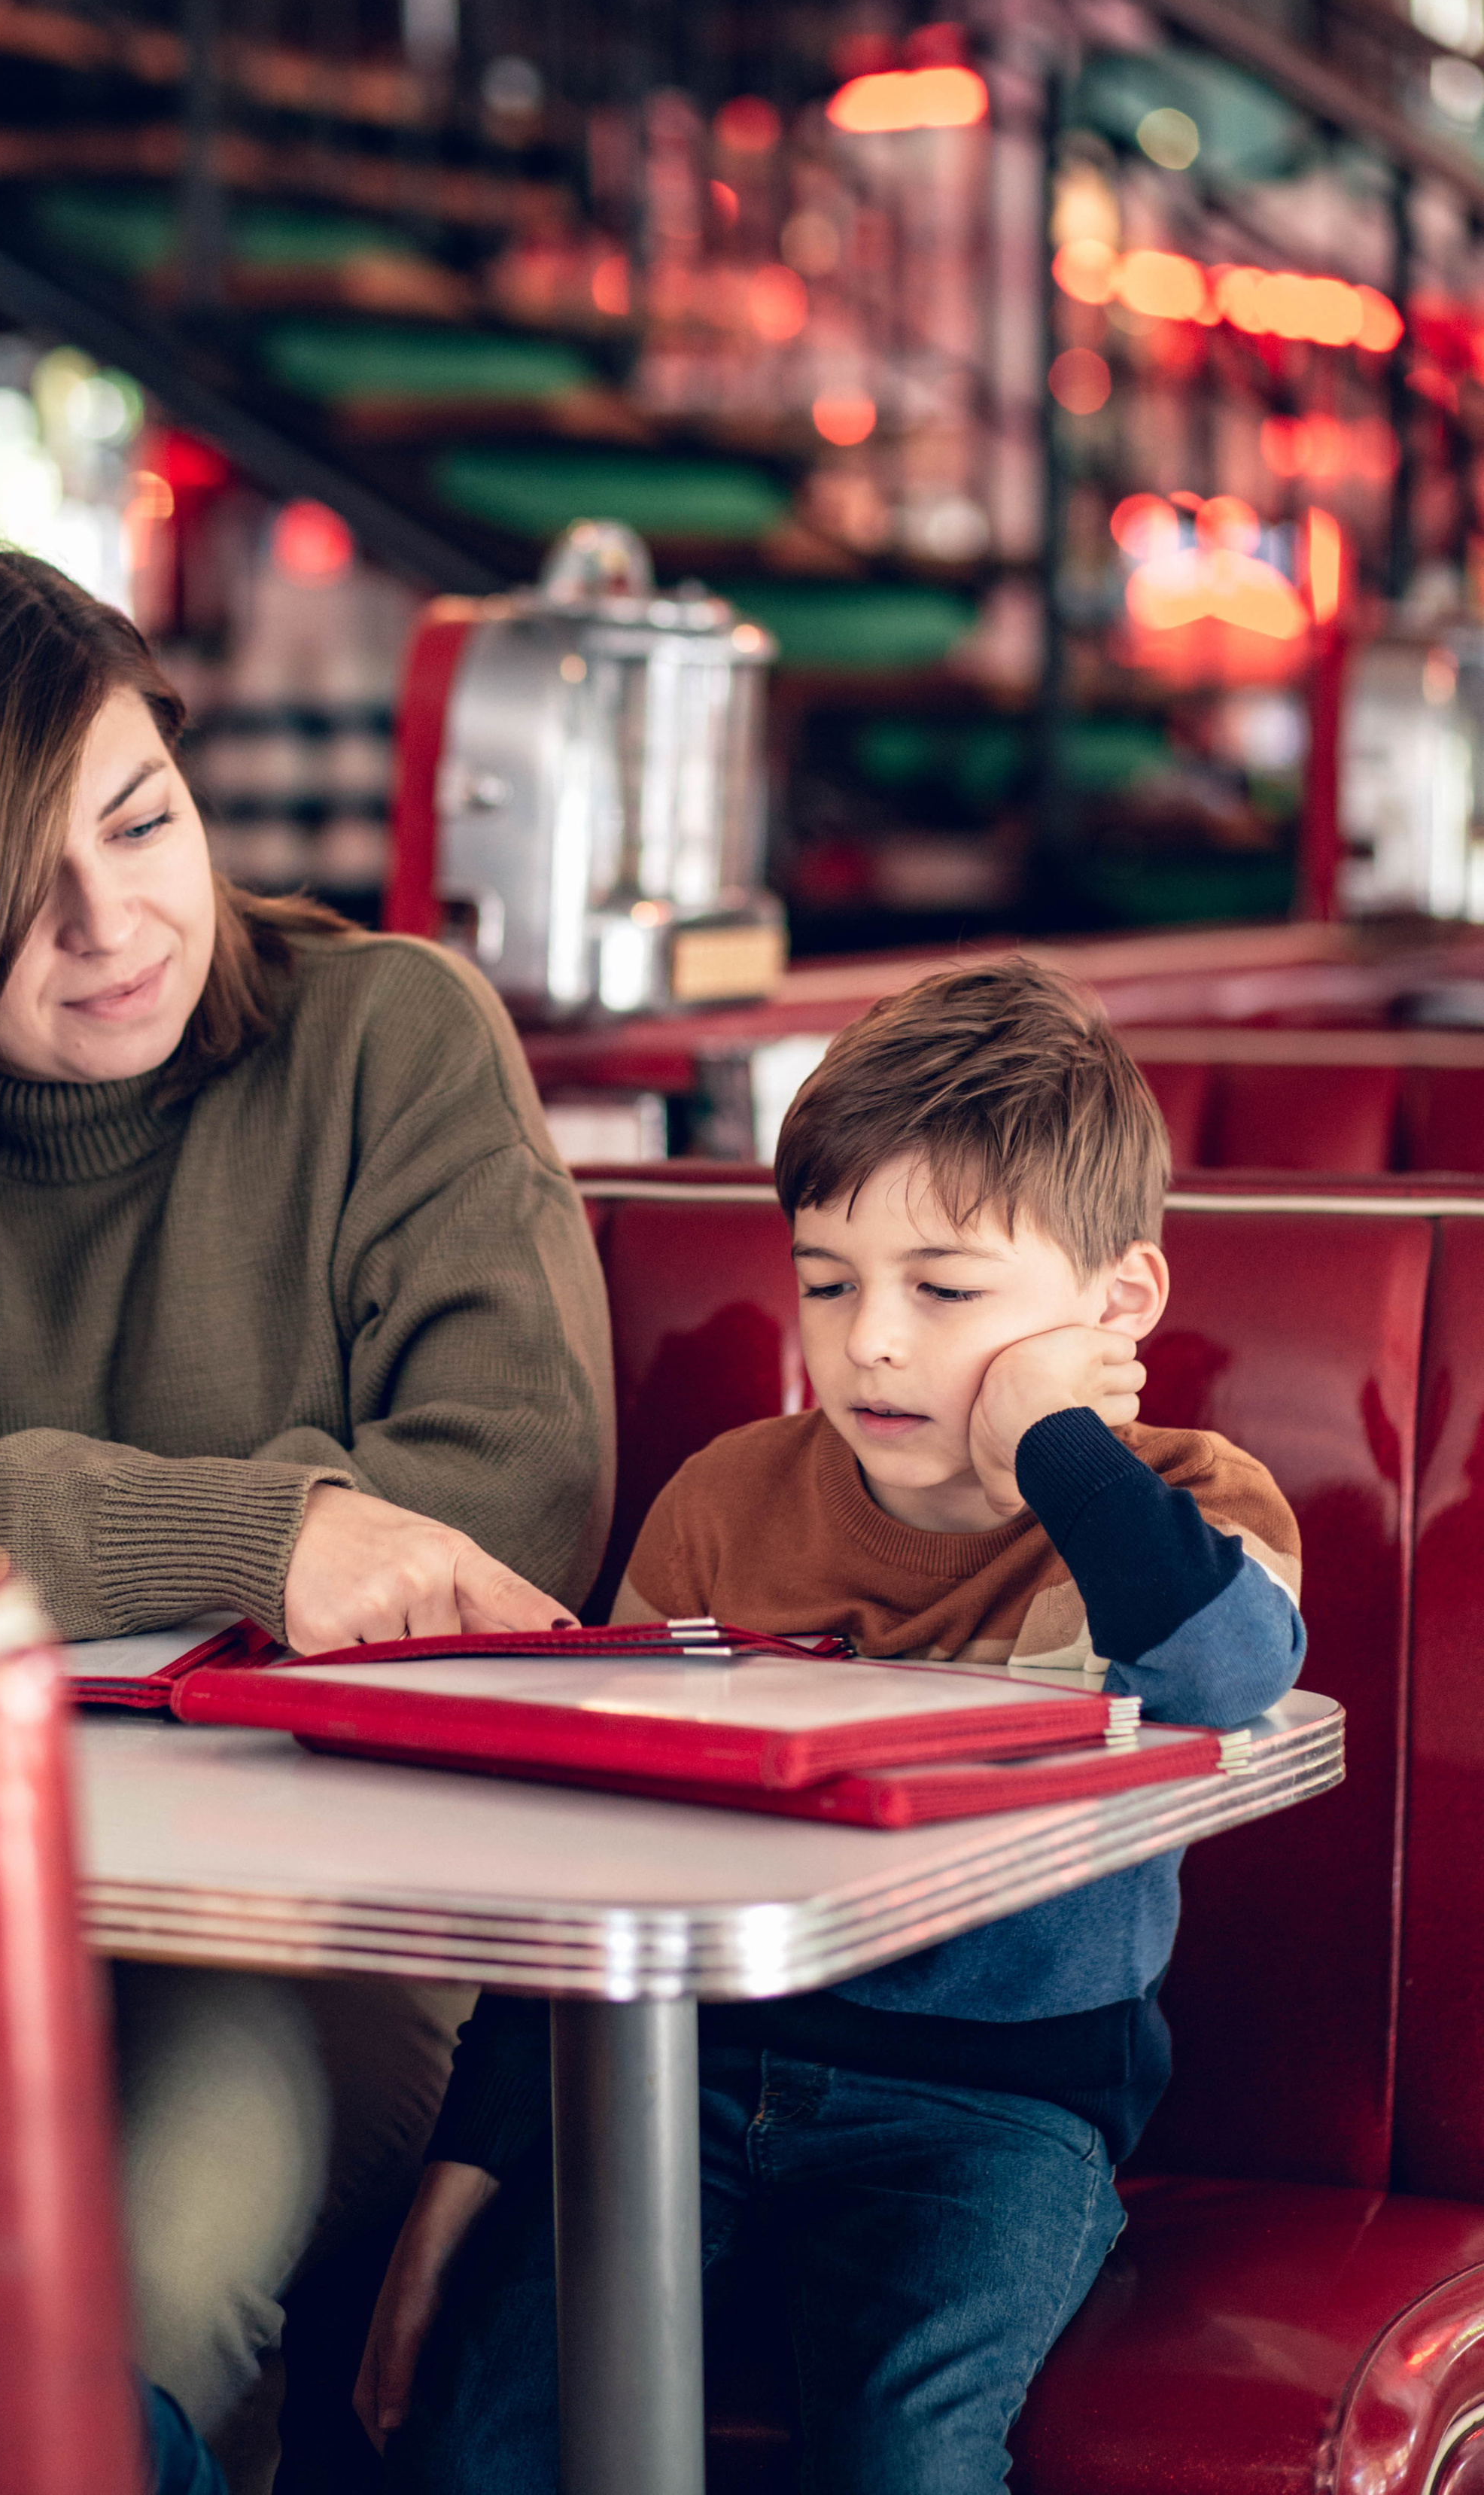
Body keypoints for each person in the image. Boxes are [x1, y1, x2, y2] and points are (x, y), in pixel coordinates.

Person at [0, 540, 614, 2488]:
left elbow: (505, 1493)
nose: (118, 922)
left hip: (332, 1908)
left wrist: (25, 1535)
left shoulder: (390, 1036)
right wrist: (265, 1537)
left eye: (142, 819)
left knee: (128, 2270)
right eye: (18, 898)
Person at [357, 957, 1305, 2493]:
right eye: (823, 1280)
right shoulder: (726, 1499)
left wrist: (1052, 1438)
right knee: (483, 2431)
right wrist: (468, 2169)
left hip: (991, 2110)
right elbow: (589, 1846)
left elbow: (1220, 1675)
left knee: (902, 2449)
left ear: (1114, 1302)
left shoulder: (1181, 1509)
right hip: (684, 2069)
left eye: (940, 1291)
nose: (867, 1341)